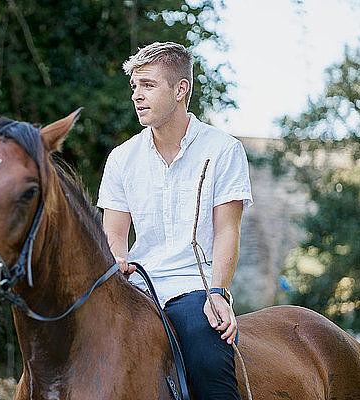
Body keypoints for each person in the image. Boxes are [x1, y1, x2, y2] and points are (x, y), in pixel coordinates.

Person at [97, 41, 253, 399]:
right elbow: (114, 233)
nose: (137, 95)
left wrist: (217, 292)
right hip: (137, 287)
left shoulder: (223, 149)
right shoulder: (122, 158)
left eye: (148, 85)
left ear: (180, 89)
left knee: (208, 363)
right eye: (134, 86)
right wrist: (117, 257)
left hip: (193, 287)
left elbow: (228, 229)